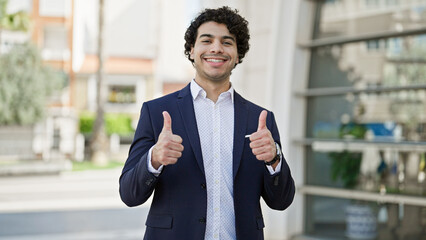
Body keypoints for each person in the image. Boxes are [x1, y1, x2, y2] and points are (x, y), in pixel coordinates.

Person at [119, 6, 295, 240]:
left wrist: (274, 158)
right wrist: (154, 158)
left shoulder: (260, 119)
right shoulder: (156, 112)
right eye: (207, 40)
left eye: (227, 42)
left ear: (238, 54)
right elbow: (130, 195)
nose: (216, 48)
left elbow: (281, 201)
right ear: (192, 50)